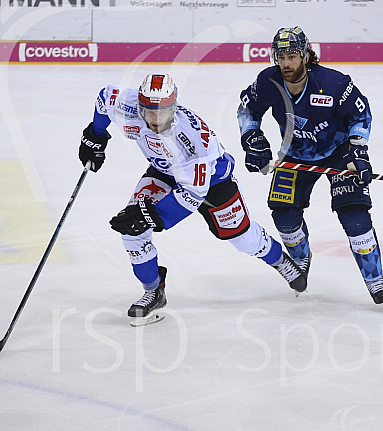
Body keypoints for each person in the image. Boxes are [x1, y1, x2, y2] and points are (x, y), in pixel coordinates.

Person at [78, 73, 308, 326]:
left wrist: (151, 216)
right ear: (140, 104)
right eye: (149, 111)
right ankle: (153, 290)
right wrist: (96, 135)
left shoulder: (191, 144)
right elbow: (104, 99)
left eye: (162, 112)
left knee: (241, 237)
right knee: (132, 229)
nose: (155, 119)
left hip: (212, 181)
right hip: (164, 171)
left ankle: (279, 260)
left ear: (173, 107)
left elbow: (192, 196)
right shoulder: (125, 102)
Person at [236, 26, 383, 305]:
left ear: (307, 55)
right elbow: (248, 108)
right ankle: (299, 261)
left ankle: (374, 279)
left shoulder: (334, 84)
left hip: (339, 154)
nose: (285, 63)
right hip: (294, 156)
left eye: (293, 55)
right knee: (284, 217)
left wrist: (359, 152)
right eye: (280, 56)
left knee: (354, 216)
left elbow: (361, 114)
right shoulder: (267, 82)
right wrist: (252, 138)